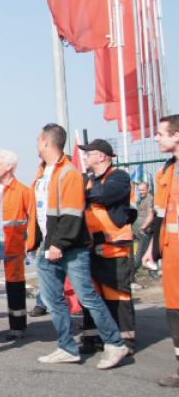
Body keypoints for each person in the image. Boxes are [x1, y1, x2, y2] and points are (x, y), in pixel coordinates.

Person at [27, 124, 128, 369]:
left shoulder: (68, 172)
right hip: (48, 248)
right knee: (54, 300)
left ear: (45, 141)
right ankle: (66, 347)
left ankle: (115, 343)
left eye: (38, 140)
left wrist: (59, 244)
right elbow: (40, 214)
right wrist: (36, 243)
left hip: (69, 249)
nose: (36, 145)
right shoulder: (42, 174)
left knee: (87, 296)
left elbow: (72, 214)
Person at [76, 139, 137, 355]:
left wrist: (82, 194)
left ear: (101, 156)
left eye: (88, 153)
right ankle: (92, 340)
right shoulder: (87, 180)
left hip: (113, 247)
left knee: (116, 295)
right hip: (90, 247)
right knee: (91, 296)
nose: (84, 157)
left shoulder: (118, 177)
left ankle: (125, 342)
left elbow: (104, 195)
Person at [0, 149, 35, 341]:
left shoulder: (23, 191)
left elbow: (32, 219)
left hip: (13, 244)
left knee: (15, 284)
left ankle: (17, 327)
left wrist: (30, 244)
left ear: (9, 166)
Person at [142, 115, 179, 387]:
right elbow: (161, 215)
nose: (156, 138)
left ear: (176, 135)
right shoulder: (166, 170)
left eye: (161, 133)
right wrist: (152, 249)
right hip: (171, 248)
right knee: (175, 307)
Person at [133, 181, 154, 272]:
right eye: (139, 190)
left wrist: (143, 228)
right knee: (141, 250)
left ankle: (134, 270)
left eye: (143, 190)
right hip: (140, 231)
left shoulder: (150, 199)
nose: (140, 192)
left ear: (148, 189)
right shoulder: (142, 199)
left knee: (141, 251)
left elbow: (151, 215)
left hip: (145, 230)